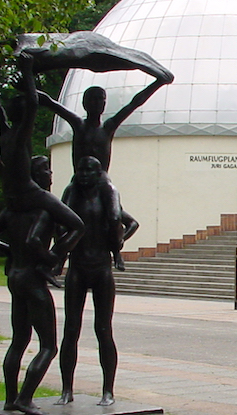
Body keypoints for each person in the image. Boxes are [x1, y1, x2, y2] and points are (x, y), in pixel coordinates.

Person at [38, 70, 171, 270]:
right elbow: (50, 103)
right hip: (78, 181)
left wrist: (158, 83)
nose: (96, 103)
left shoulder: (108, 127)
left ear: (104, 104)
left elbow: (135, 103)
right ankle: (62, 256)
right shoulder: (78, 124)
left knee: (114, 216)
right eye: (92, 99)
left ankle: (116, 252)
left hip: (102, 181)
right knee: (61, 217)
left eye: (100, 99)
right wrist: (30, 88)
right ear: (84, 103)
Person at [0, 156, 64, 415]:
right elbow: (35, 241)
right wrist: (50, 260)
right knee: (49, 346)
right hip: (32, 279)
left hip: (15, 277)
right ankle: (25, 398)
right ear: (35, 177)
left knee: (19, 340)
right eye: (45, 170)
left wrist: (10, 252)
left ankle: (10, 398)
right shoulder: (43, 209)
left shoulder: (13, 210)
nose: (50, 173)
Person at [0, 53, 84, 271]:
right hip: (29, 194)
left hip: (12, 197)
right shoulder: (20, 136)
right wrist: (27, 70)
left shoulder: (2, 135)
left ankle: (16, 254)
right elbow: (33, 103)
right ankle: (52, 259)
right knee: (78, 225)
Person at [57, 156, 133, 407]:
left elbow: (121, 220)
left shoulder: (108, 193)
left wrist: (117, 247)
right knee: (71, 329)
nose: (84, 175)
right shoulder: (72, 193)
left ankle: (108, 390)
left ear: (99, 173)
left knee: (103, 329)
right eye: (80, 170)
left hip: (101, 267)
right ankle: (66, 389)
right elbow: (61, 222)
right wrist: (59, 254)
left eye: (90, 171)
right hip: (78, 267)